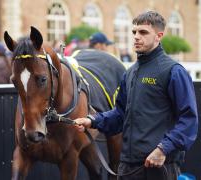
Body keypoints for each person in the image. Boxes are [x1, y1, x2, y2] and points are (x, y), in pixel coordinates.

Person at [74, 11, 198, 180]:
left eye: (143, 32)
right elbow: (120, 114)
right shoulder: (130, 72)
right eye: (134, 32)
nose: (136, 37)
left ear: (159, 36)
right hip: (127, 168)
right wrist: (92, 121)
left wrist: (163, 149)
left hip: (159, 167)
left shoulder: (174, 71)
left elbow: (189, 120)